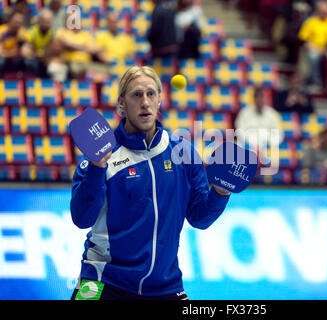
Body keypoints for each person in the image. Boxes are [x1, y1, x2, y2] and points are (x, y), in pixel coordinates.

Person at [70, 66, 231, 300]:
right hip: (102, 281)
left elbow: (200, 218)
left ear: (159, 99)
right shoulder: (101, 153)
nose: (145, 102)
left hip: (165, 286)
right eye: (136, 95)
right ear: (122, 103)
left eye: (151, 94)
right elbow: (81, 218)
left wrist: (220, 191)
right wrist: (97, 168)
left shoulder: (183, 152)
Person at [297, 0, 327, 92]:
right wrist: (318, 49)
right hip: (314, 49)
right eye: (323, 12)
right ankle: (316, 83)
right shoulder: (310, 22)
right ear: (317, 11)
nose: (325, 14)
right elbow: (304, 40)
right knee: (313, 56)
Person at [235, 87, 284, 152]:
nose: (259, 99)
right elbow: (239, 131)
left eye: (262, 96)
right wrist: (254, 141)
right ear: (254, 99)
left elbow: (279, 133)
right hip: (249, 145)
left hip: (268, 146)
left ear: (265, 98)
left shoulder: (272, 113)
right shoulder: (244, 113)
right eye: (257, 97)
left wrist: (269, 143)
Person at [21, 8, 54, 77]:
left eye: (49, 20)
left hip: (45, 60)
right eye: (45, 20)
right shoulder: (32, 32)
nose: (48, 23)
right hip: (34, 60)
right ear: (39, 21)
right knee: (30, 62)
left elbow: (51, 52)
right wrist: (37, 54)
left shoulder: (51, 34)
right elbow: (25, 51)